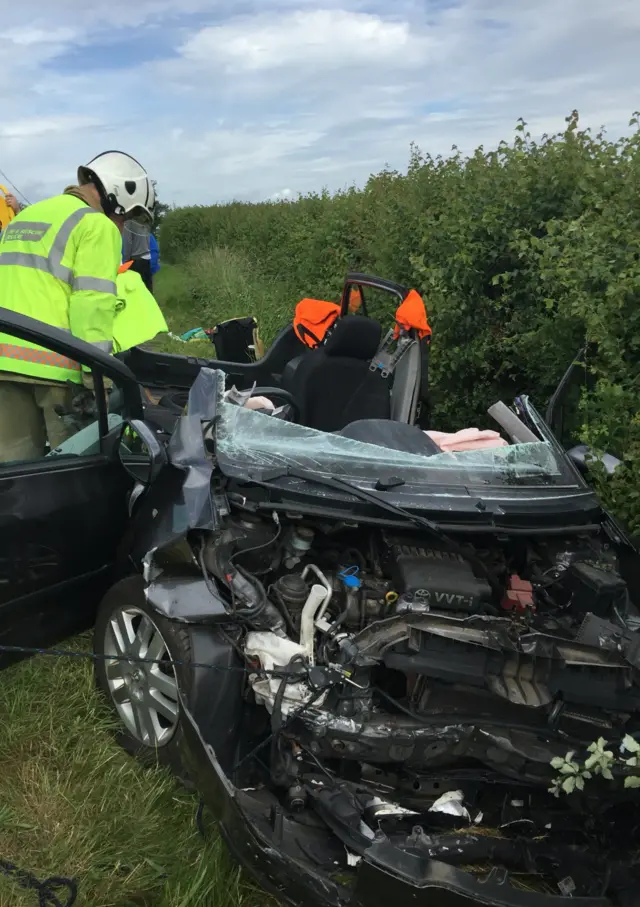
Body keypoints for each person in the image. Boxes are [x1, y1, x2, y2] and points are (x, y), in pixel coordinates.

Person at [0, 151, 155, 462]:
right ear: (115, 196)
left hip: (4, 365)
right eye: (124, 216)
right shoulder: (95, 225)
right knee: (71, 474)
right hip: (57, 372)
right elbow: (92, 305)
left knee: (12, 474)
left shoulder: (25, 217)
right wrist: (97, 378)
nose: (122, 225)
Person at [122, 218, 153, 292]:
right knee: (147, 289)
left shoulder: (128, 223)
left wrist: (125, 262)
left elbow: (128, 243)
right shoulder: (145, 223)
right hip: (147, 258)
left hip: (136, 260)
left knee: (137, 290)